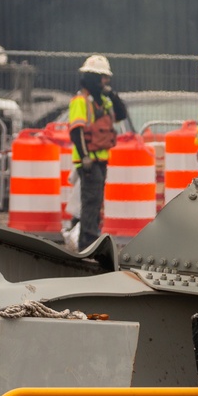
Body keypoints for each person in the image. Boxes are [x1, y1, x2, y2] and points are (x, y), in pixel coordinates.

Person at [68, 54, 127, 250]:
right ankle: (87, 243)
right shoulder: (80, 101)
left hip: (100, 160)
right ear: (94, 78)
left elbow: (121, 114)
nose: (106, 81)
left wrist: (113, 95)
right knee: (91, 202)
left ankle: (91, 239)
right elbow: (76, 132)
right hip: (90, 161)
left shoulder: (103, 100)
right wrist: (84, 157)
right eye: (103, 77)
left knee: (95, 202)